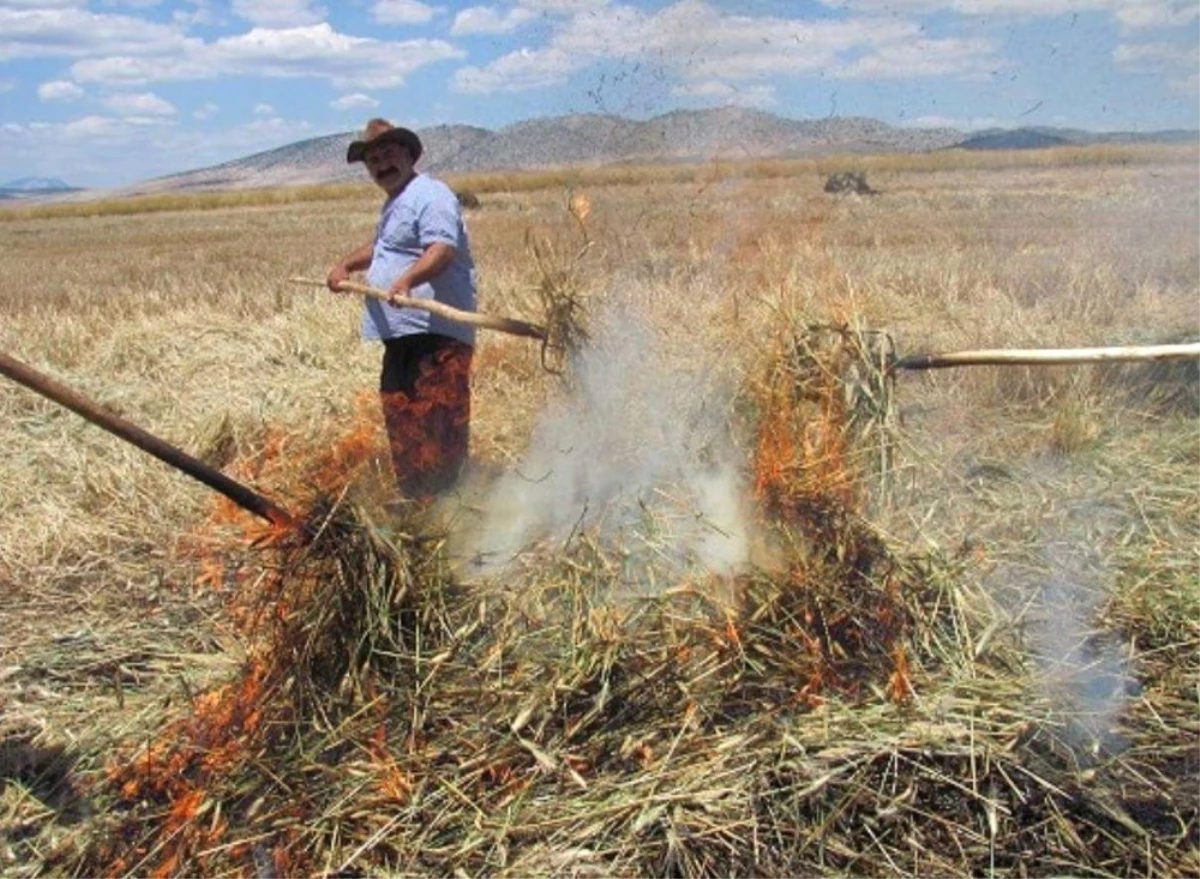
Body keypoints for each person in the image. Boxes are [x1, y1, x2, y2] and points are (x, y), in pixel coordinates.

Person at [327, 118, 475, 501]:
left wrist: (407, 280)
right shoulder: (396, 203)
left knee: (437, 422)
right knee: (403, 419)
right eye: (373, 160)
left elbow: (441, 249)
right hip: (400, 334)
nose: (381, 165)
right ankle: (416, 502)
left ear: (409, 155)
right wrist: (346, 265)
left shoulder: (431, 194)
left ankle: (450, 506)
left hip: (435, 334)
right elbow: (382, 249)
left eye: (389, 155)